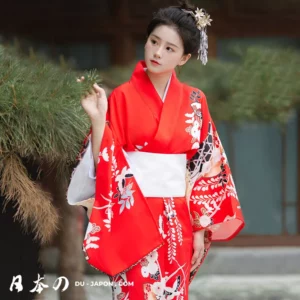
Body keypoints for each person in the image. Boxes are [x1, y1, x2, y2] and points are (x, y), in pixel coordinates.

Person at [67, 0, 245, 299]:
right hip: (133, 217)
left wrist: (200, 229)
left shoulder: (194, 100)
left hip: (178, 222)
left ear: (185, 58)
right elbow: (106, 162)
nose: (157, 53)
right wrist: (98, 121)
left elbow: (204, 167)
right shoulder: (122, 96)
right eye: (153, 42)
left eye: (169, 49)